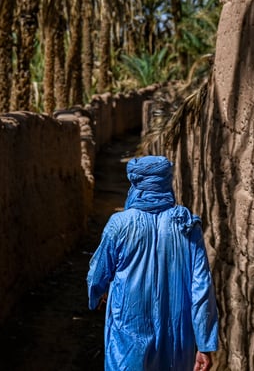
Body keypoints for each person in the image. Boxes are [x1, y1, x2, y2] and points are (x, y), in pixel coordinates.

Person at [87, 155, 219, 371]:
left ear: (136, 184)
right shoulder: (186, 224)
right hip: (177, 339)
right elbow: (201, 288)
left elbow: (97, 275)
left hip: (128, 336)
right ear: (167, 182)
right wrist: (204, 345)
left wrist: (98, 296)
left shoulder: (119, 225)